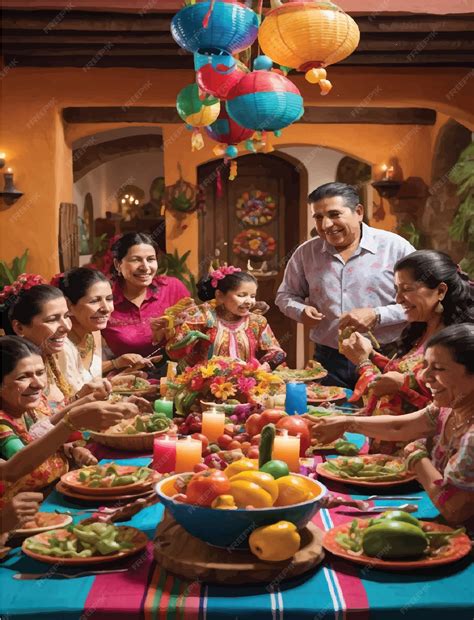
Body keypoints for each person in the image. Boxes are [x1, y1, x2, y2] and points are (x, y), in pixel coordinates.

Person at [305, 323, 474, 526]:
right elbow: (399, 427)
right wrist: (346, 423)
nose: (425, 376)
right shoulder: (449, 410)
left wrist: (416, 456)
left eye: (438, 368)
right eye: (426, 366)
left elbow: (455, 510)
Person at [276, 182, 415, 389]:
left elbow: (421, 302)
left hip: (390, 354)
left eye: (334, 214)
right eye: (318, 217)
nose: (325, 225)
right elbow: (285, 296)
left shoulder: (395, 247)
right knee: (330, 415)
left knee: (384, 415)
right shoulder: (306, 253)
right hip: (329, 358)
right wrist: (300, 310)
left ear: (358, 212)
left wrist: (377, 315)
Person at [340, 250, 474, 453]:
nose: (398, 298)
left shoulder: (457, 343)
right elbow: (402, 376)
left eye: (407, 289)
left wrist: (363, 363)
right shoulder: (421, 329)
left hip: (423, 455)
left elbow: (448, 409)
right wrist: (370, 355)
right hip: (390, 449)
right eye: (396, 289)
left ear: (440, 291)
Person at [0, 336, 133, 490]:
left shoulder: (35, 404)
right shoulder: (3, 423)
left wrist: (70, 449)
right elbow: (18, 465)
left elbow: (44, 431)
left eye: (40, 372)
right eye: (23, 377)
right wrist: (70, 423)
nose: (39, 384)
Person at [1, 278, 110, 409]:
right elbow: (36, 425)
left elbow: (55, 411)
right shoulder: (11, 371)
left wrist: (82, 396)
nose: (67, 327)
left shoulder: (55, 355)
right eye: (52, 320)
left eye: (67, 316)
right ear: (19, 327)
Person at [54, 267, 159, 392]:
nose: (106, 308)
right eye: (94, 301)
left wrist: (119, 368)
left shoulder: (94, 332)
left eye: (109, 299)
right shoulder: (58, 346)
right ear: (68, 305)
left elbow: (92, 380)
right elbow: (63, 401)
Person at [162, 267, 286, 369]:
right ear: (220, 296)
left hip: (247, 383)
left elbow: (278, 353)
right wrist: (179, 330)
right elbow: (173, 352)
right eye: (242, 295)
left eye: (252, 296)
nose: (249, 301)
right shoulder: (203, 316)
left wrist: (265, 366)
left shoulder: (256, 322)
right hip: (204, 383)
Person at [101, 233, 189, 360]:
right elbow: (89, 357)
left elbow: (196, 330)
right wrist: (115, 364)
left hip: (178, 373)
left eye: (150, 259)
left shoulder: (172, 288)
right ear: (117, 264)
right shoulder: (106, 301)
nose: (145, 267)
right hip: (129, 376)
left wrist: (173, 331)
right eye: (136, 259)